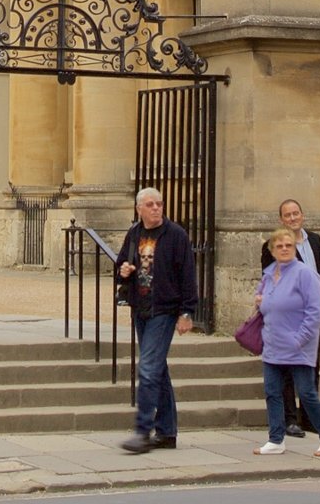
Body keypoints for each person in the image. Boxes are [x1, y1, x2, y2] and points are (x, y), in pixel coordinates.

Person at [114, 186, 197, 453]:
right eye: (150, 204)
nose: (156, 208)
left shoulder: (176, 235)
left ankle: (142, 431)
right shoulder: (135, 233)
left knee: (148, 368)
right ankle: (167, 432)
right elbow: (120, 267)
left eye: (159, 204)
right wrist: (124, 270)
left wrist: (187, 312)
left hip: (164, 309)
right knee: (158, 370)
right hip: (142, 308)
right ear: (139, 209)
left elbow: (187, 274)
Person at [252, 228, 320, 457]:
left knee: (307, 393)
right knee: (272, 391)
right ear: (272, 250)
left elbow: (315, 312)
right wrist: (261, 302)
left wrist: (300, 338)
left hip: (299, 345)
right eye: (279, 246)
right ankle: (276, 438)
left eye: (289, 245)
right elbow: (263, 304)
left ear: (295, 248)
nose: (284, 249)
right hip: (274, 343)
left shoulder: (305, 274)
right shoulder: (269, 273)